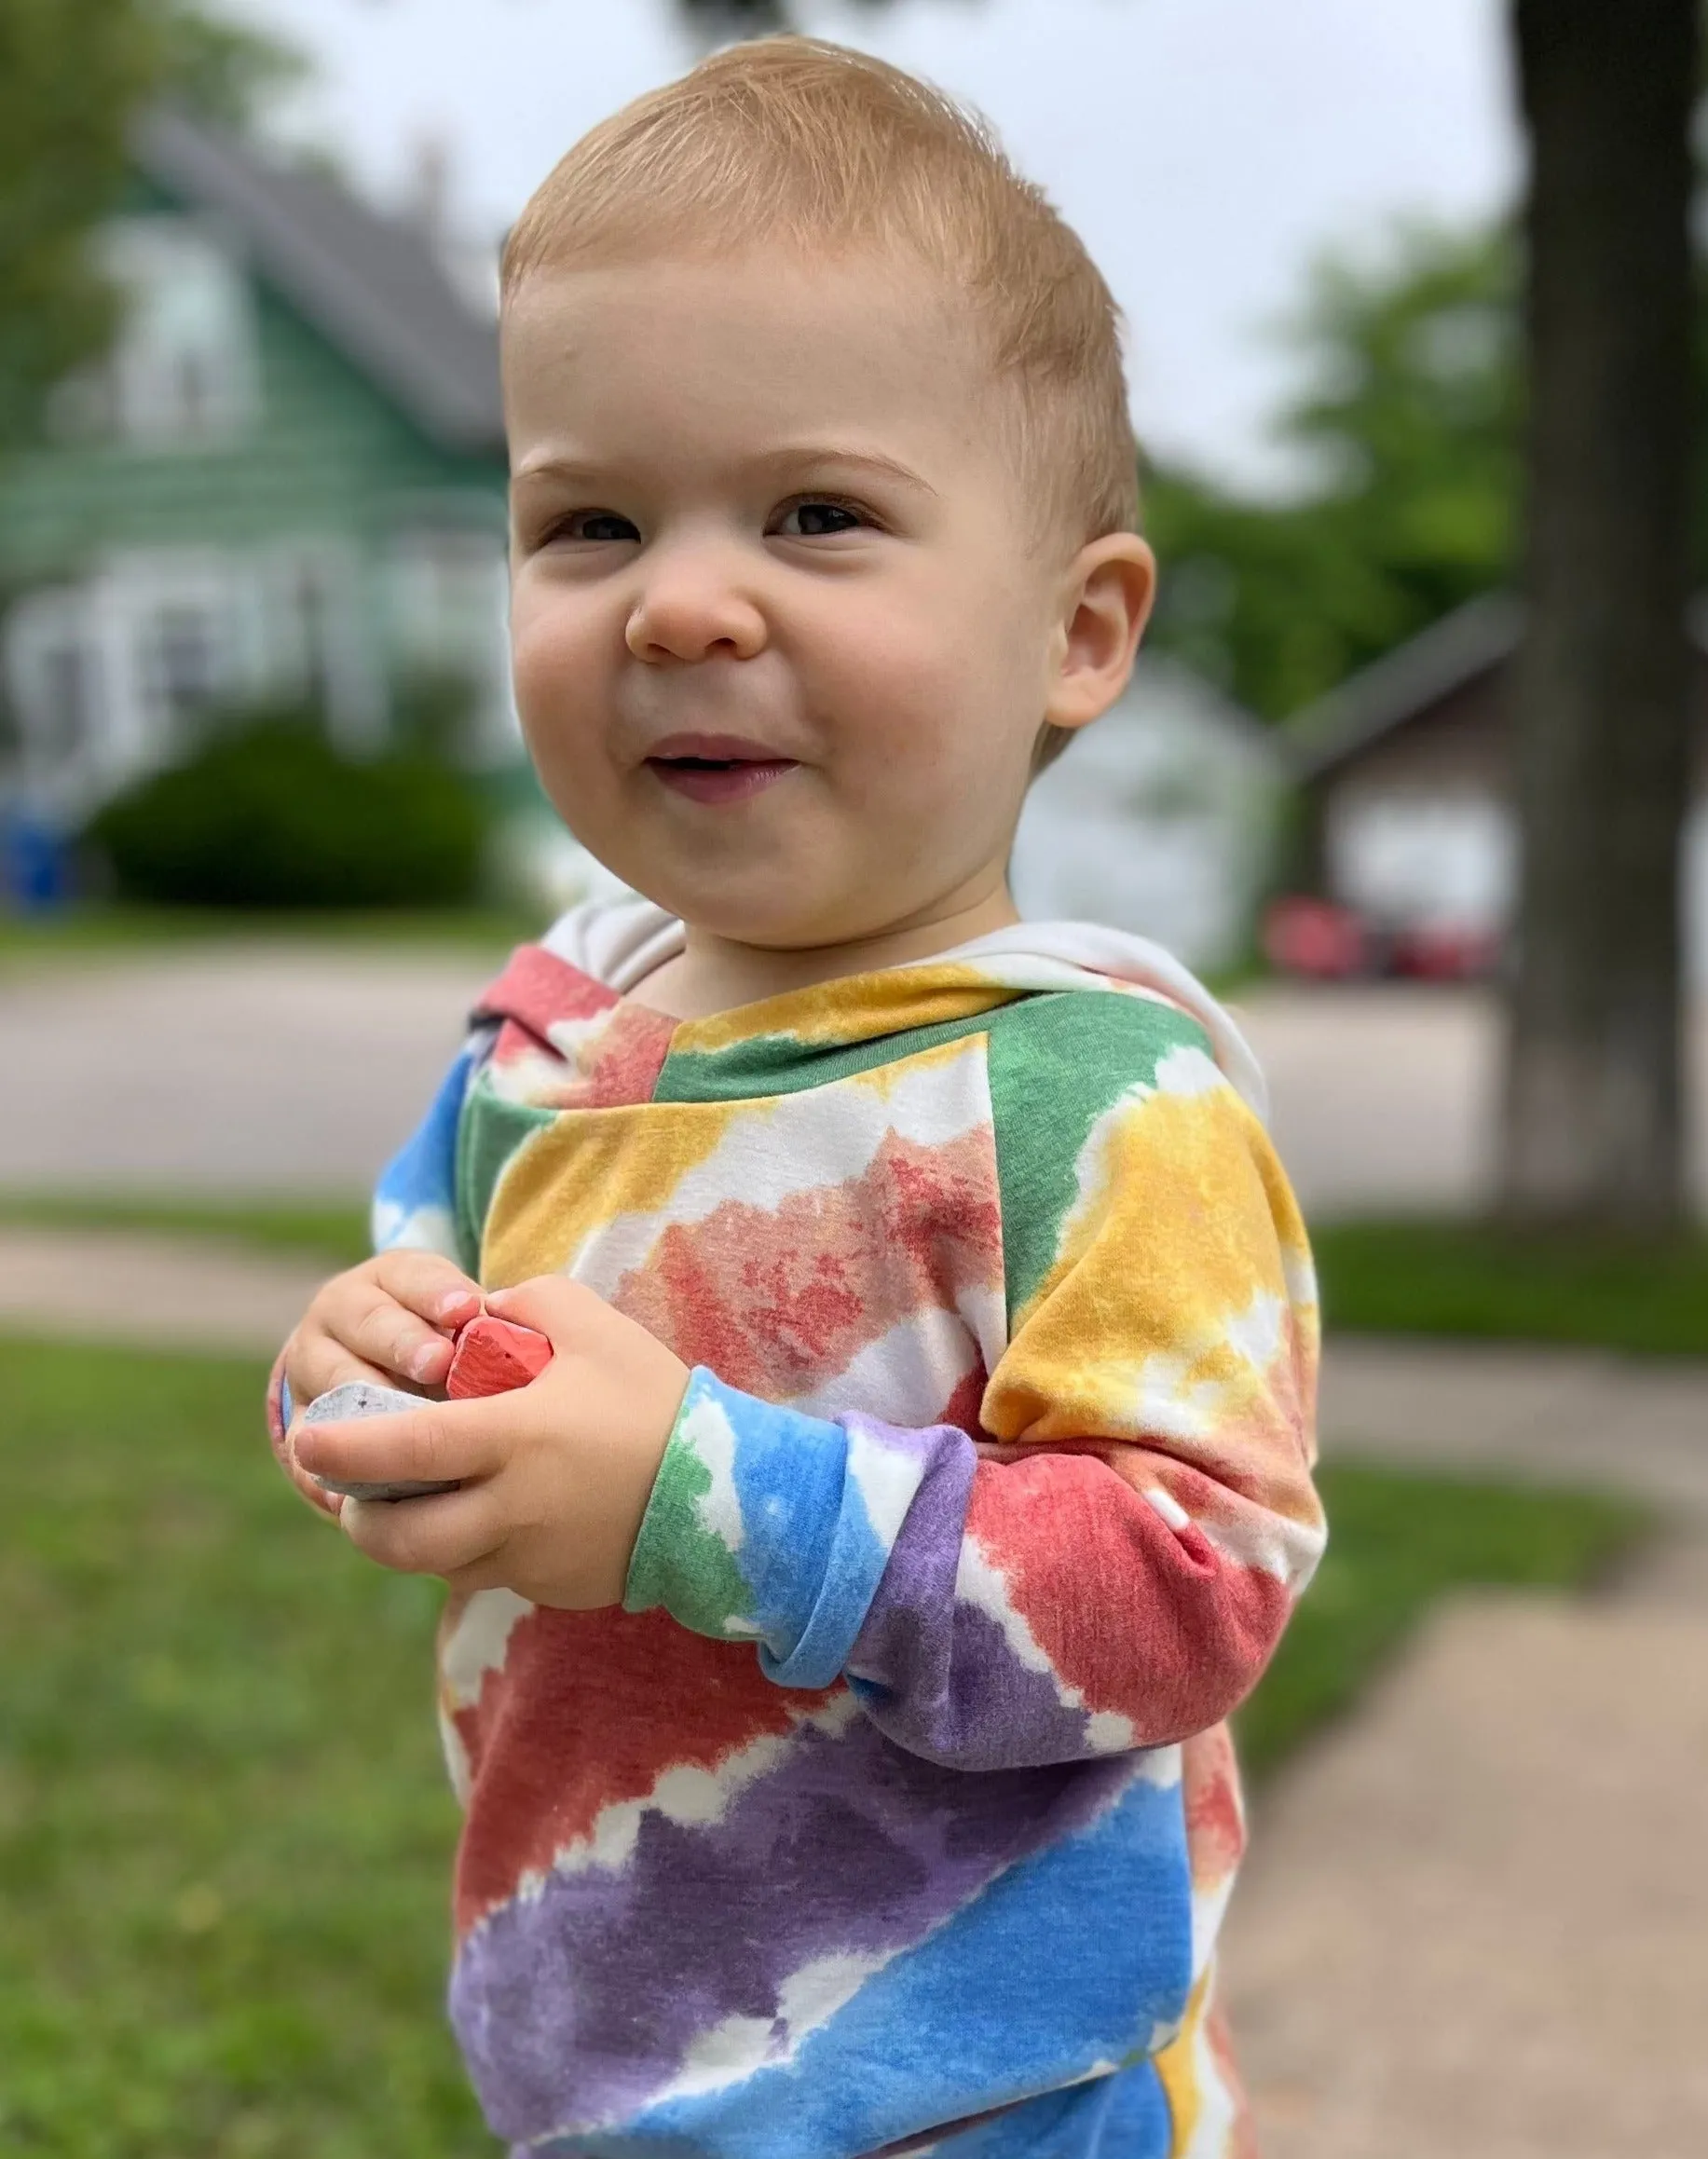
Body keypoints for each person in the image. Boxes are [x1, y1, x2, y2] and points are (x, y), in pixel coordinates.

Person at [269, 37, 1323, 2159]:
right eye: (589, 522)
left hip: (982, 2099)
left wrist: (692, 1495)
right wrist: (354, 1386)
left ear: (1078, 631)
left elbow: (1186, 1589)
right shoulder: (553, 1037)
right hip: (602, 2051)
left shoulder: (1091, 1099)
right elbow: (408, 1320)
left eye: (817, 514)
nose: (674, 601)